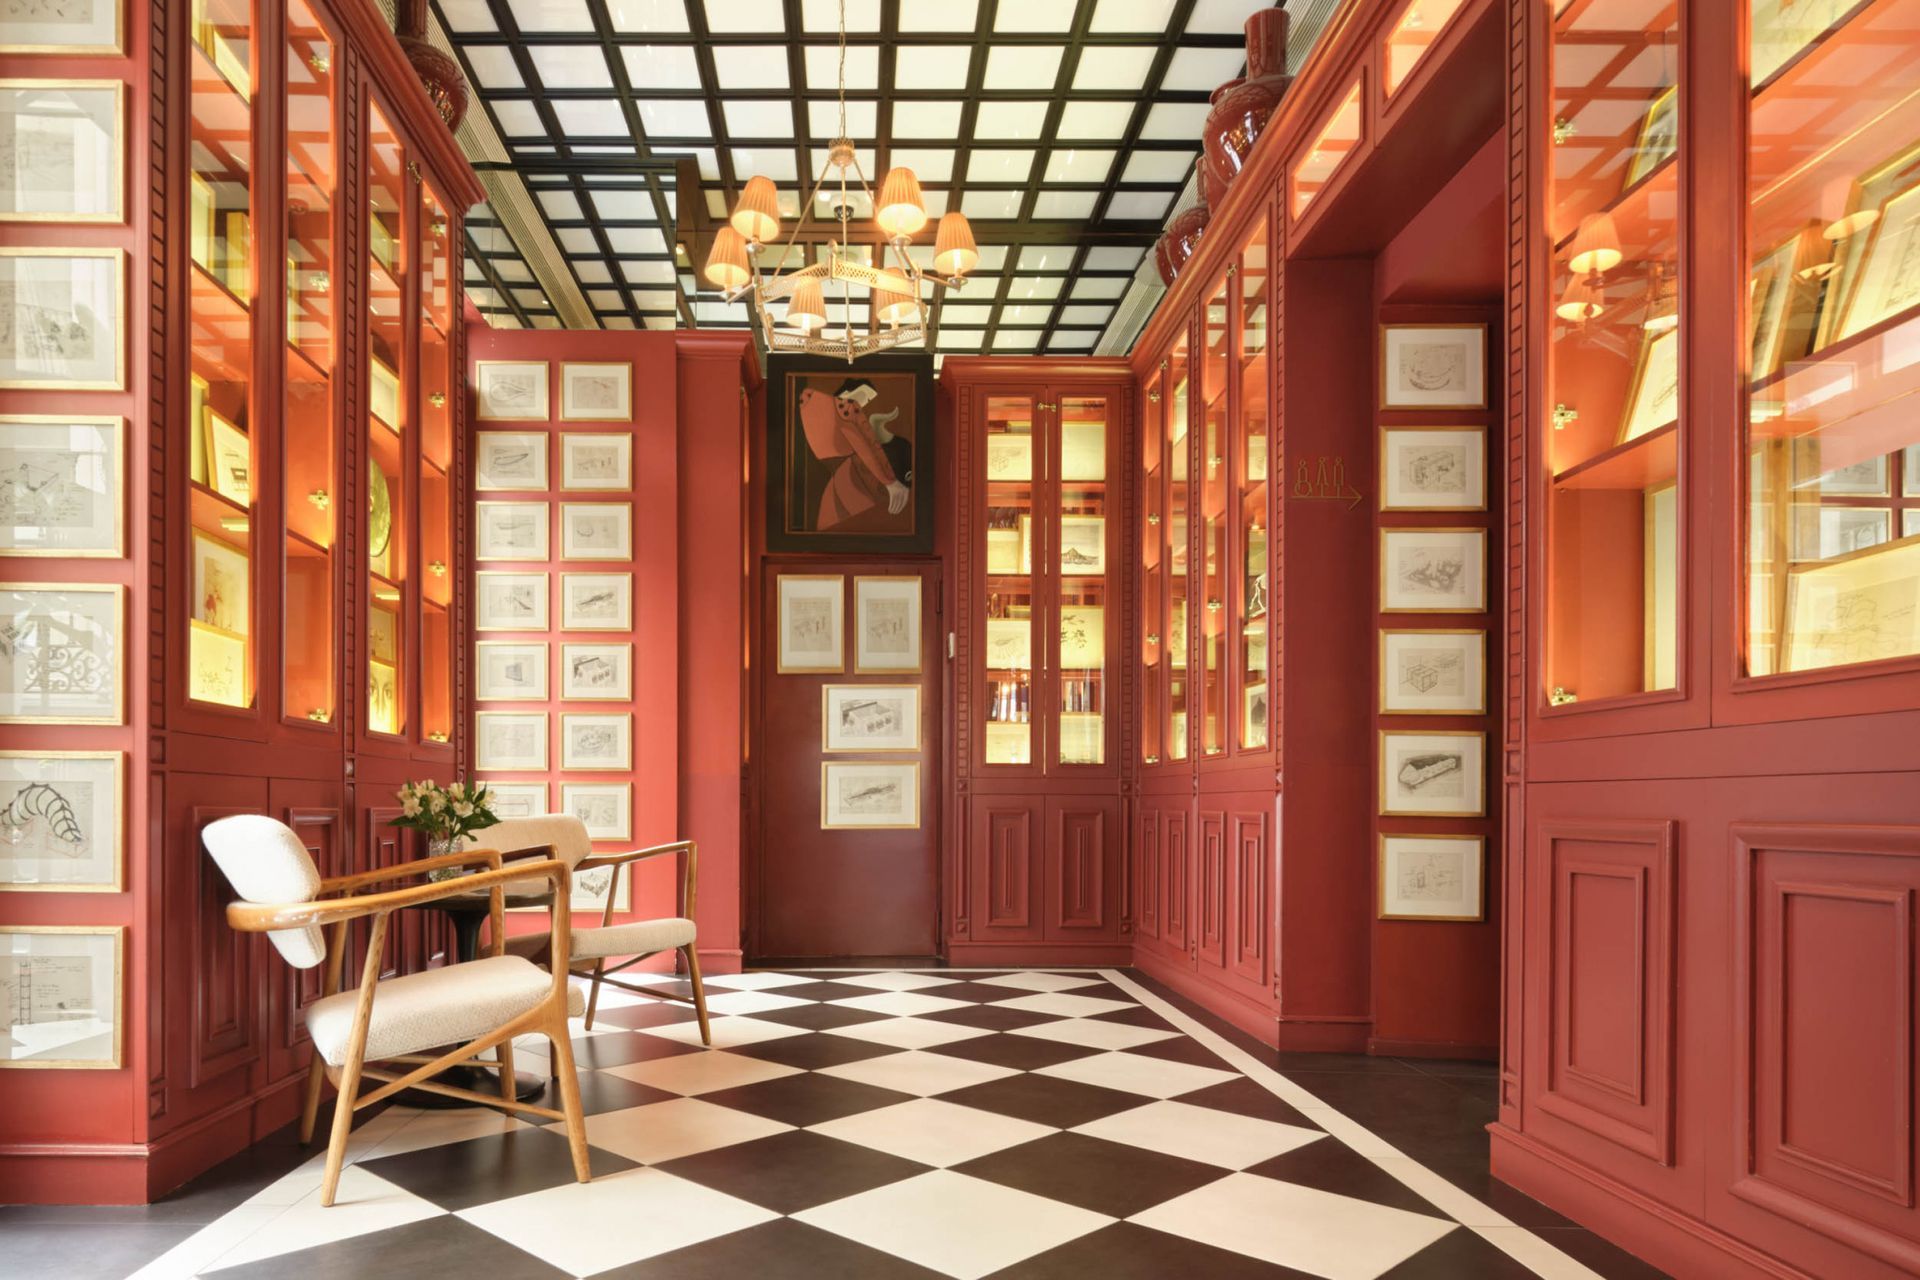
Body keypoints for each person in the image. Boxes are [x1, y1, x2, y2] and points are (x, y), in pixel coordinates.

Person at [797, 377, 912, 531]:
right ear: (846, 392)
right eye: (864, 395)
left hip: (838, 480)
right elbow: (863, 446)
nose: (864, 402)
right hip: (851, 480)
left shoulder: (812, 404)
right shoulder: (846, 408)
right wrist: (890, 481)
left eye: (869, 399)